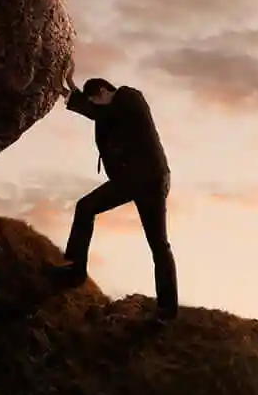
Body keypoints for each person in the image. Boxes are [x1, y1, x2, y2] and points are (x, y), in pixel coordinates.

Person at [48, 62, 179, 322]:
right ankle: (75, 270)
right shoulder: (108, 116)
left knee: (158, 244)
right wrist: (71, 94)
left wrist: (71, 91)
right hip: (135, 180)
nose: (95, 107)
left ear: (105, 91)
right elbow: (100, 119)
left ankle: (167, 309)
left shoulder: (129, 97)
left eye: (95, 100)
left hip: (149, 178)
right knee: (86, 208)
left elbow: (100, 113)